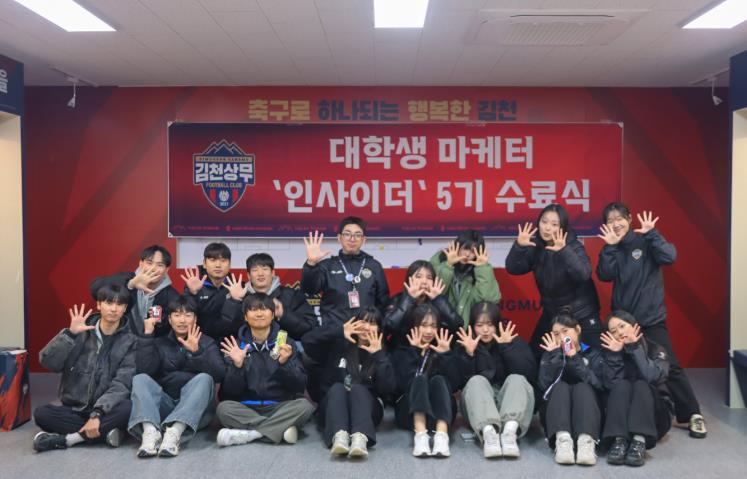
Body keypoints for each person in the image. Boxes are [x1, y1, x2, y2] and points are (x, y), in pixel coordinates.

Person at [596, 203, 705, 438]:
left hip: (650, 319)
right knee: (623, 366)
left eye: (619, 218)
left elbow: (670, 256)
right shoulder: (613, 247)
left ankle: (693, 414)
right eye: (610, 220)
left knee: (670, 366)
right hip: (623, 323)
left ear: (629, 218)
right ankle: (625, 416)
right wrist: (610, 247)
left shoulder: (645, 240)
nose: (615, 224)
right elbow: (604, 274)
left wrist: (653, 234)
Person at [33, 284, 137, 452]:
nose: (114, 309)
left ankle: (69, 439)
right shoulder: (79, 332)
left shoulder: (130, 342)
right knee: (41, 414)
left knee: (128, 408)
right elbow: (49, 363)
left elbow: (122, 383)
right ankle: (107, 433)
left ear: (125, 308)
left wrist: (97, 414)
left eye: (119, 304)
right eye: (109, 303)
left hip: (106, 410)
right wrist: (69, 334)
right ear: (99, 305)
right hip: (74, 409)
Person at [128, 295, 225, 457]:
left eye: (188, 315)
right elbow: (145, 371)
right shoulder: (159, 342)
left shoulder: (207, 342)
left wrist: (197, 353)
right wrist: (148, 335)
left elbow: (219, 375)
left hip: (196, 412)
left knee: (205, 378)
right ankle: (150, 433)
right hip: (166, 406)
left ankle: (174, 433)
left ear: (195, 319)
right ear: (170, 319)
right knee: (139, 379)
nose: (182, 320)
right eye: (177, 315)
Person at [215, 293, 315, 446]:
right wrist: (237, 366)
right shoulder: (235, 345)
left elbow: (299, 386)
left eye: (264, 309)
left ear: (273, 314)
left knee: (304, 406)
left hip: (279, 407)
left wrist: (285, 364)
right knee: (223, 409)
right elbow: (229, 392)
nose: (259, 314)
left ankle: (251, 434)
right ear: (245, 316)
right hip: (246, 407)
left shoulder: (286, 343)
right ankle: (278, 429)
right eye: (254, 310)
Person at [505, 203, 602, 358]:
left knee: (590, 355)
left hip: (581, 314)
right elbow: (513, 268)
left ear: (562, 227)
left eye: (554, 224)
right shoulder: (536, 246)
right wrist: (519, 246)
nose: (547, 228)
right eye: (544, 222)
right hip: (553, 314)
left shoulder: (573, 245)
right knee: (536, 354)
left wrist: (564, 250)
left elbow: (583, 274)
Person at [302, 307, 396, 458]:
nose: (366, 327)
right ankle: (339, 436)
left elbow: (388, 388)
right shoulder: (339, 344)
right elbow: (307, 341)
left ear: (379, 329)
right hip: (334, 406)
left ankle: (360, 438)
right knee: (338, 388)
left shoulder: (383, 352)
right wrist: (338, 331)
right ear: (353, 323)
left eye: (372, 323)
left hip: (367, 409)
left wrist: (379, 355)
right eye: (363, 321)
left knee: (358, 389)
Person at [456, 301, 537, 458]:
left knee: (517, 379)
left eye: (490, 324)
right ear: (472, 326)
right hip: (480, 410)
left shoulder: (513, 340)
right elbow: (458, 383)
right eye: (479, 325)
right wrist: (468, 355)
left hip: (510, 406)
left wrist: (507, 348)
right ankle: (489, 435)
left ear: (498, 324)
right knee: (476, 380)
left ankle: (509, 434)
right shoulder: (466, 343)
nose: (485, 330)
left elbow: (529, 375)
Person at [538, 309, 615, 466]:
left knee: (582, 387)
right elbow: (544, 386)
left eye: (565, 331)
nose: (561, 337)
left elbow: (598, 385)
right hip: (558, 414)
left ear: (578, 329)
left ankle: (586, 442)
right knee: (560, 387)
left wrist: (574, 358)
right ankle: (563, 442)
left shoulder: (593, 353)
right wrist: (555, 356)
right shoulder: (551, 353)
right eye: (556, 334)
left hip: (588, 413)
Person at [600, 310, 673, 467]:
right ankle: (619, 441)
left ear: (633, 325)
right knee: (621, 385)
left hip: (655, 416)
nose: (620, 333)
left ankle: (639, 441)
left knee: (641, 384)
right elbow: (611, 385)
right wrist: (614, 355)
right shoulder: (610, 351)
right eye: (614, 331)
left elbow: (652, 377)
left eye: (622, 326)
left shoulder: (655, 349)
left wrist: (634, 347)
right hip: (621, 419)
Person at [393, 304, 461, 458]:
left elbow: (455, 385)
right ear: (414, 326)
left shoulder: (442, 347)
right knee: (420, 379)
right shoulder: (403, 350)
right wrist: (415, 352)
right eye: (424, 325)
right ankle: (420, 436)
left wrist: (446, 355)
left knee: (439, 379)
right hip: (409, 413)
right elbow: (401, 384)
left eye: (433, 326)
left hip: (440, 413)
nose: (429, 331)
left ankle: (441, 437)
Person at [301, 216, 390, 326]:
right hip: (334, 331)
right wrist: (311, 264)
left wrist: (375, 327)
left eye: (358, 235)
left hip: (364, 331)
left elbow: (383, 303)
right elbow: (309, 290)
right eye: (347, 234)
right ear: (339, 238)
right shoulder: (327, 265)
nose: (352, 239)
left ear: (363, 239)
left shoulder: (374, 266)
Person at [221, 252, 317, 341]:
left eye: (265, 269)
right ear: (249, 275)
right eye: (255, 270)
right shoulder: (240, 295)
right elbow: (225, 331)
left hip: (285, 346)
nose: (260, 274)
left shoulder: (291, 295)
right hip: (248, 347)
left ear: (273, 272)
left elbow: (310, 328)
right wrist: (235, 301)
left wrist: (283, 315)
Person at [89, 245, 180, 338]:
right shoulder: (125, 278)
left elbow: (176, 328)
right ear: (141, 263)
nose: (153, 269)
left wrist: (160, 321)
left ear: (166, 269)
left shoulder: (172, 296)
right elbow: (95, 288)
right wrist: (131, 284)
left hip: (152, 344)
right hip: (120, 341)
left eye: (160, 265)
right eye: (149, 263)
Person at [430, 229, 501, 327]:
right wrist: (448, 265)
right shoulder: (439, 260)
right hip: (440, 326)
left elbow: (489, 300)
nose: (467, 254)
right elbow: (434, 293)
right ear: (458, 245)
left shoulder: (481, 269)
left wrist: (482, 268)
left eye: (473, 251)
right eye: (465, 248)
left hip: (468, 329)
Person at [384, 260, 461, 349]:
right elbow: (387, 327)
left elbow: (457, 326)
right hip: (402, 352)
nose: (424, 281)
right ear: (409, 279)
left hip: (432, 352)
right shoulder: (398, 299)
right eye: (418, 276)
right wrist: (409, 299)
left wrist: (438, 300)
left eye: (429, 277)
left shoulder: (439, 301)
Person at [181, 242, 235, 340]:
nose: (218, 265)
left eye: (223, 260)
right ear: (204, 263)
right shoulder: (194, 285)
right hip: (199, 341)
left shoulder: (237, 287)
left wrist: (237, 300)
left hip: (231, 343)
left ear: (229, 264)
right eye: (213, 260)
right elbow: (185, 314)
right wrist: (191, 293)